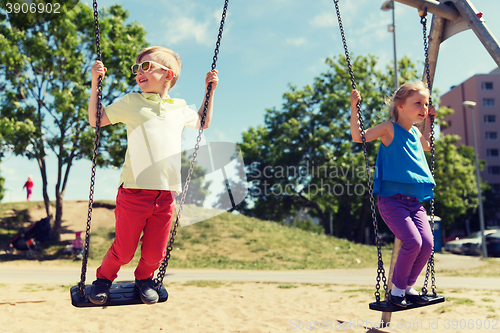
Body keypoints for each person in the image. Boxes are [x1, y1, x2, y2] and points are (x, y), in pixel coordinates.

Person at [87, 46, 219, 305]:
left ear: (168, 74)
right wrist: (95, 82)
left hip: (167, 193)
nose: (138, 73)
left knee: (155, 253)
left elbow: (203, 121)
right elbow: (96, 119)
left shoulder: (179, 107)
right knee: (123, 251)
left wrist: (210, 90)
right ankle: (103, 278)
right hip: (134, 190)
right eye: (137, 68)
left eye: (146, 66)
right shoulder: (131, 102)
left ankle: (145, 278)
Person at [350, 81, 437, 308]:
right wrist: (354, 107)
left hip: (414, 203)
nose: (424, 107)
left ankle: (408, 287)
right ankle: (397, 291)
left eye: (426, 103)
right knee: (412, 242)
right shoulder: (389, 128)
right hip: (392, 201)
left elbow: (428, 145)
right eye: (418, 103)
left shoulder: (416, 132)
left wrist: (431, 121)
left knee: (427, 244)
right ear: (400, 106)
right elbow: (359, 137)